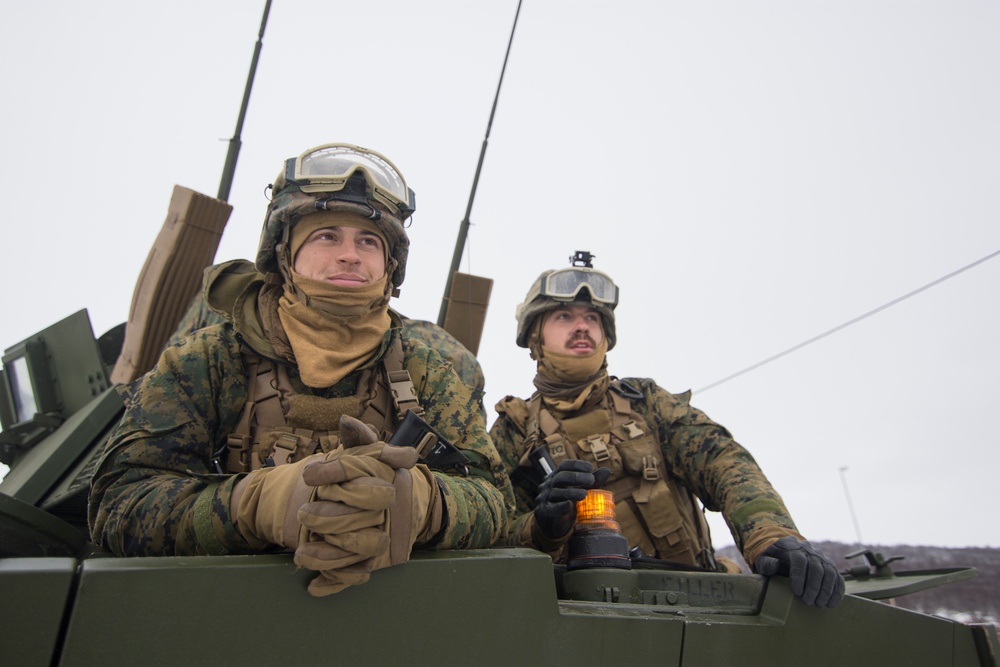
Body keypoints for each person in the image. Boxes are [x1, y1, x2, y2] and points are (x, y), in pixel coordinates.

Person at [89, 143, 514, 596]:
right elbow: (118, 504)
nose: (350, 254)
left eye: (368, 241)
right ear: (285, 255)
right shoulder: (208, 362)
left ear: (390, 266)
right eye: (327, 235)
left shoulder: (427, 371)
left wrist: (418, 503)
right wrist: (256, 505)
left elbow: (495, 503)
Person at [489, 251, 845, 608]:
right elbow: (492, 530)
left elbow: (723, 460)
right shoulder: (513, 432)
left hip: (698, 597)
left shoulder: (646, 403)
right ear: (535, 335)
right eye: (564, 316)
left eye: (593, 318)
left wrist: (770, 534)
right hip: (584, 613)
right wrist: (543, 526)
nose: (582, 326)